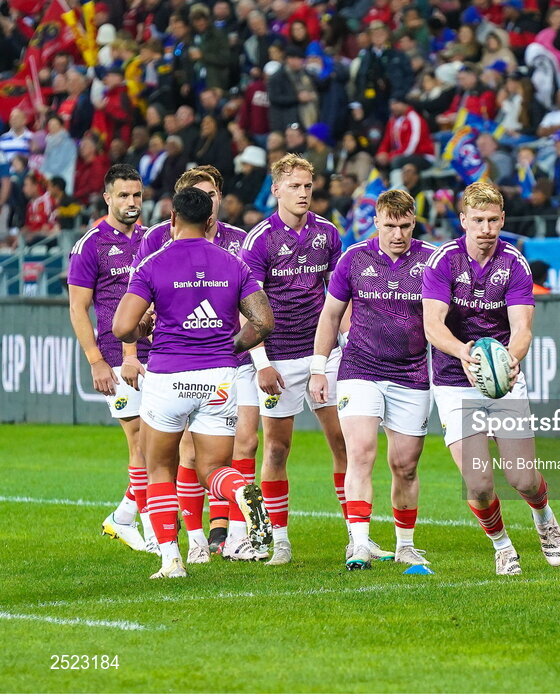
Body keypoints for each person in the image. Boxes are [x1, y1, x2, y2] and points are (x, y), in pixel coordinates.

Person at [111, 187, 275, 579]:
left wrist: (146, 325)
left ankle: (172, 560)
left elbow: (121, 326)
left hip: (168, 377)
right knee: (214, 468)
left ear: (171, 219)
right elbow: (265, 322)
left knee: (160, 469)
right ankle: (239, 491)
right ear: (208, 222)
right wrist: (231, 346)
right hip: (218, 377)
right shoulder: (232, 264)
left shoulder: (153, 263)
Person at [242, 154, 381, 565]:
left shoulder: (327, 234)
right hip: (278, 359)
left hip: (325, 354)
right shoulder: (260, 240)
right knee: (277, 450)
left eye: (308, 186)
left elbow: (341, 296)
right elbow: (244, 306)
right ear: (277, 190)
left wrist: (348, 340)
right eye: (295, 186)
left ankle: (356, 537)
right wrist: (260, 361)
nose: (303, 193)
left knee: (345, 443)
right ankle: (280, 540)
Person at [422, 181, 560, 576]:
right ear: (463, 220)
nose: (486, 228)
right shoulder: (442, 262)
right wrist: (464, 353)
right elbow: (432, 325)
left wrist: (510, 360)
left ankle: (543, 517)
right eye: (478, 220)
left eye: (493, 220)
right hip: (454, 379)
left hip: (502, 379)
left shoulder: (514, 263)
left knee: (523, 478)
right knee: (480, 483)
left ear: (503, 219)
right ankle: (502, 545)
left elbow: (522, 329)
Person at [309, 190, 435, 569]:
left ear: (414, 223)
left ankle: (406, 545)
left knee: (406, 465)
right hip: (360, 368)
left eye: (405, 226)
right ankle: (360, 544)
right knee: (361, 452)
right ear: (376, 221)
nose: (398, 234)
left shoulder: (431, 262)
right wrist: (318, 367)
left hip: (411, 373)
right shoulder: (354, 258)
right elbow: (331, 316)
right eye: (390, 225)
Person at [67, 164, 154, 554]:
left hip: (160, 354)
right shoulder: (91, 245)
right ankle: (155, 532)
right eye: (123, 195)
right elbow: (77, 308)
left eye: (136, 195)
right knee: (141, 443)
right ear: (107, 198)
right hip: (117, 360)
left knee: (164, 443)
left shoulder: (153, 239)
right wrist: (95, 361)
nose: (132, 202)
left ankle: (122, 518)